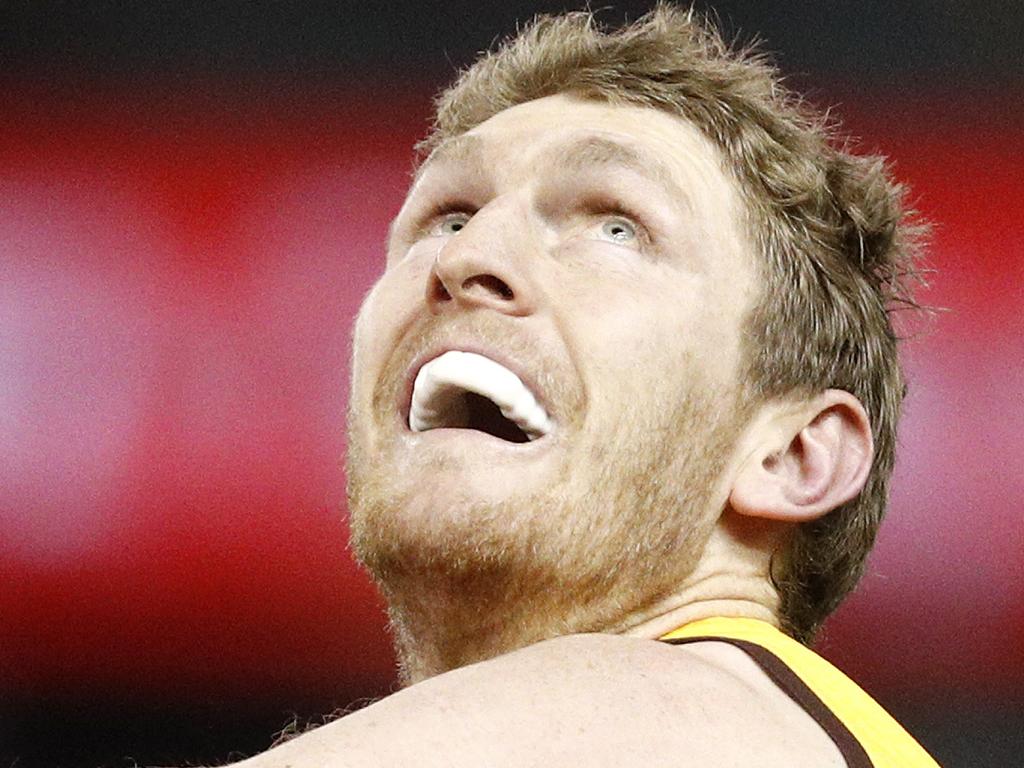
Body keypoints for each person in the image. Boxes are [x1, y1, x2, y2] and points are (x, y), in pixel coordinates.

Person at [242, 5, 938, 766]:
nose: (468, 256)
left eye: (616, 228)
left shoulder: (694, 705)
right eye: (448, 217)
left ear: (793, 456)